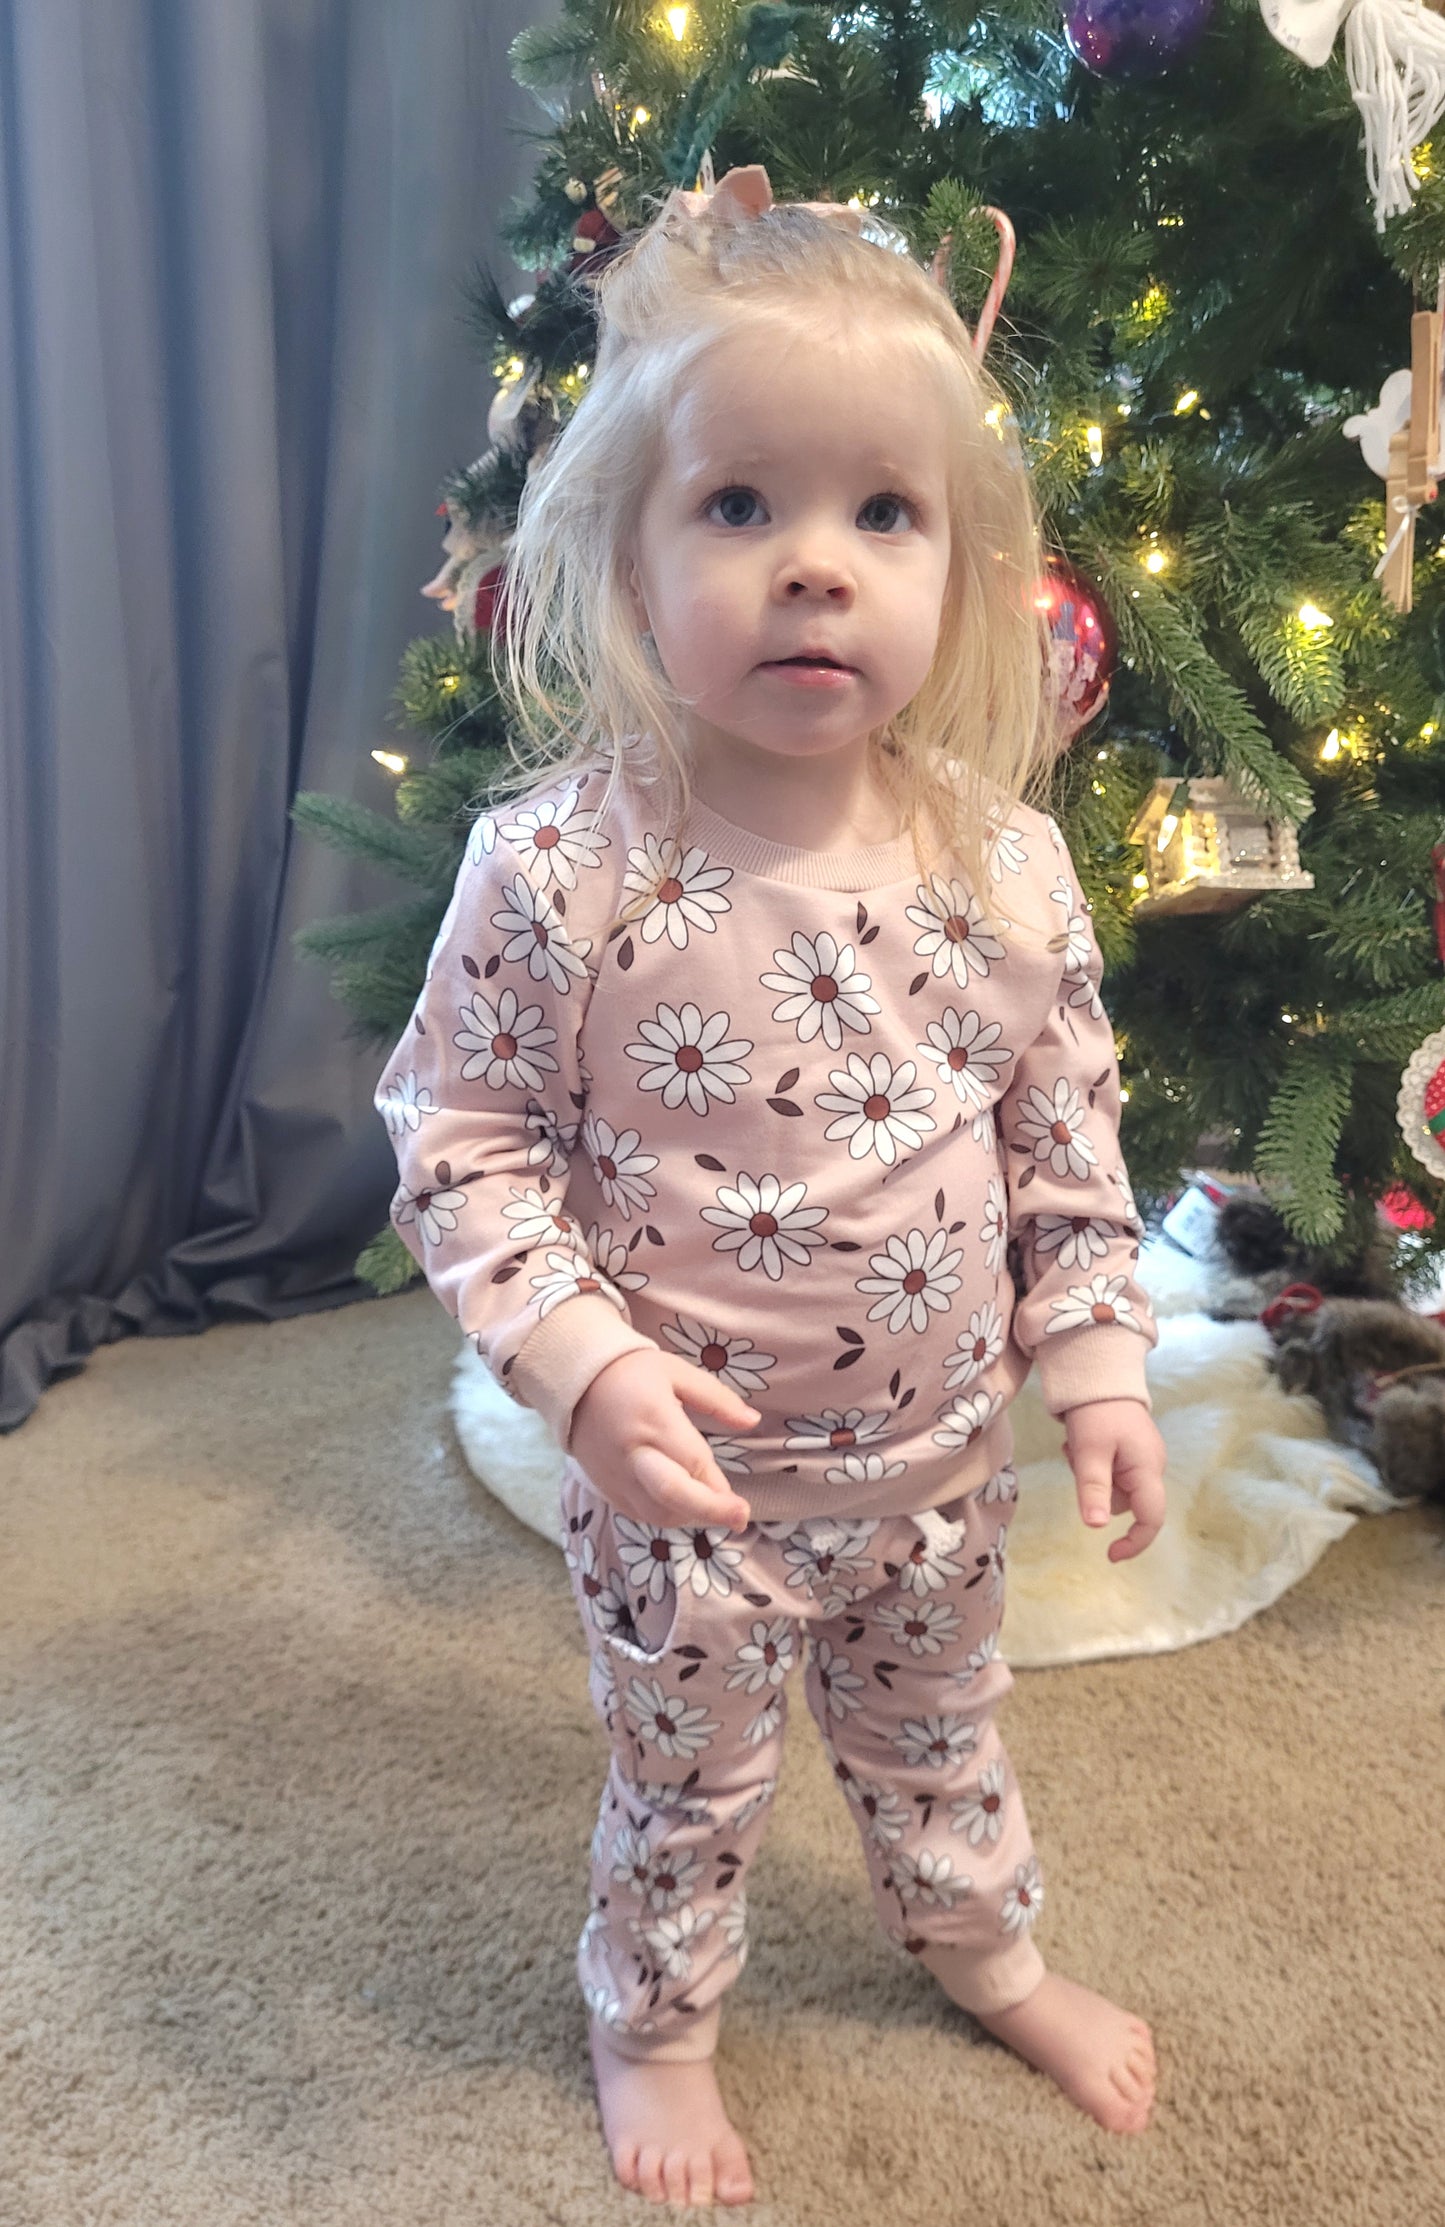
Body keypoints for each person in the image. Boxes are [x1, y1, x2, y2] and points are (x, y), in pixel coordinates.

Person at [375, 163, 1167, 2208]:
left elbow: (1064, 1139)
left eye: (881, 513)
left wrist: (1097, 1365)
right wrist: (574, 1365)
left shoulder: (1004, 866)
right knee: (688, 1784)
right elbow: (458, 1139)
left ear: (963, 572)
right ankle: (652, 2023)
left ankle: (985, 1950)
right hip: (688, 1500)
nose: (816, 565)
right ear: (628, 562)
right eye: (740, 505)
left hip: (937, 1470)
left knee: (944, 1736)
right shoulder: (562, 867)